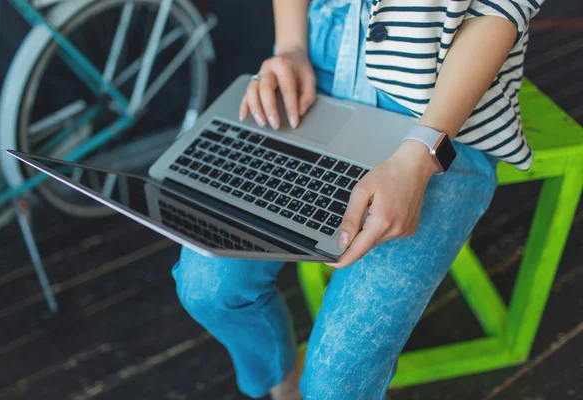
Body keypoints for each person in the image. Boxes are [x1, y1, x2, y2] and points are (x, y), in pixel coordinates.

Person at [172, 0, 543, 398]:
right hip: (316, 76)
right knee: (206, 287)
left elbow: (498, 11)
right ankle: (283, 379)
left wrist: (420, 155)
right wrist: (291, 48)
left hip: (443, 111)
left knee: (338, 375)